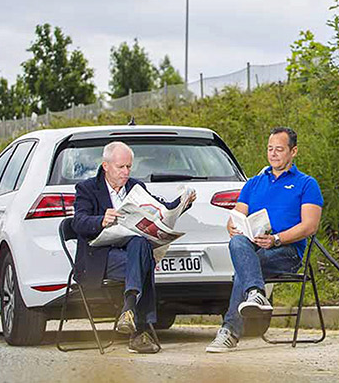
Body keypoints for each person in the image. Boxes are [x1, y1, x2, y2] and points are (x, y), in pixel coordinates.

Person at [206, 127, 323, 353]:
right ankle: (256, 293)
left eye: (279, 149)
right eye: (270, 149)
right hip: (254, 248)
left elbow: (310, 226)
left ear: (293, 151)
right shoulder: (254, 183)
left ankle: (229, 330)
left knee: (243, 269)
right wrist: (233, 225)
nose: (273, 154)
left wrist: (276, 239)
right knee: (237, 243)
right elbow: (238, 215)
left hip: (286, 252)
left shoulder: (306, 184)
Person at [72, 141, 195, 354]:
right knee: (144, 260)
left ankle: (128, 309)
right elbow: (78, 222)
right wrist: (101, 220)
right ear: (106, 166)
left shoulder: (135, 187)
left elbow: (161, 208)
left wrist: (183, 203)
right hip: (101, 256)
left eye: (129, 166)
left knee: (140, 244)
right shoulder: (87, 188)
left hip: (129, 254)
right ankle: (139, 331)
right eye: (121, 167)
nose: (126, 172)